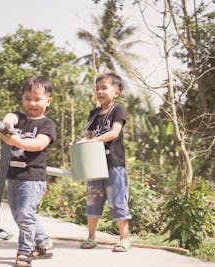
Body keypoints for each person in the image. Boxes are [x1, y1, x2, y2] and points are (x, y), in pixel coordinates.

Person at [0, 76, 56, 267]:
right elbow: (10, 117)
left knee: (25, 213)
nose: (31, 103)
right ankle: (44, 242)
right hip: (14, 177)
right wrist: (7, 124)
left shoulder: (46, 124)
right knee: (19, 215)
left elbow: (39, 144)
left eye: (37, 99)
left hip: (32, 178)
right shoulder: (20, 118)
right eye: (27, 98)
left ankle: (25, 252)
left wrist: (16, 141)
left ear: (48, 101)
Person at [79, 73, 132, 252]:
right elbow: (87, 135)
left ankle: (124, 239)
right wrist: (80, 144)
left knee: (118, 201)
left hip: (114, 164)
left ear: (116, 93)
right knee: (93, 201)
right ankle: (91, 237)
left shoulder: (118, 110)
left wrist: (92, 141)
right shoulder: (93, 114)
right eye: (97, 89)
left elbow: (114, 133)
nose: (99, 91)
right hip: (95, 165)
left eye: (104, 88)